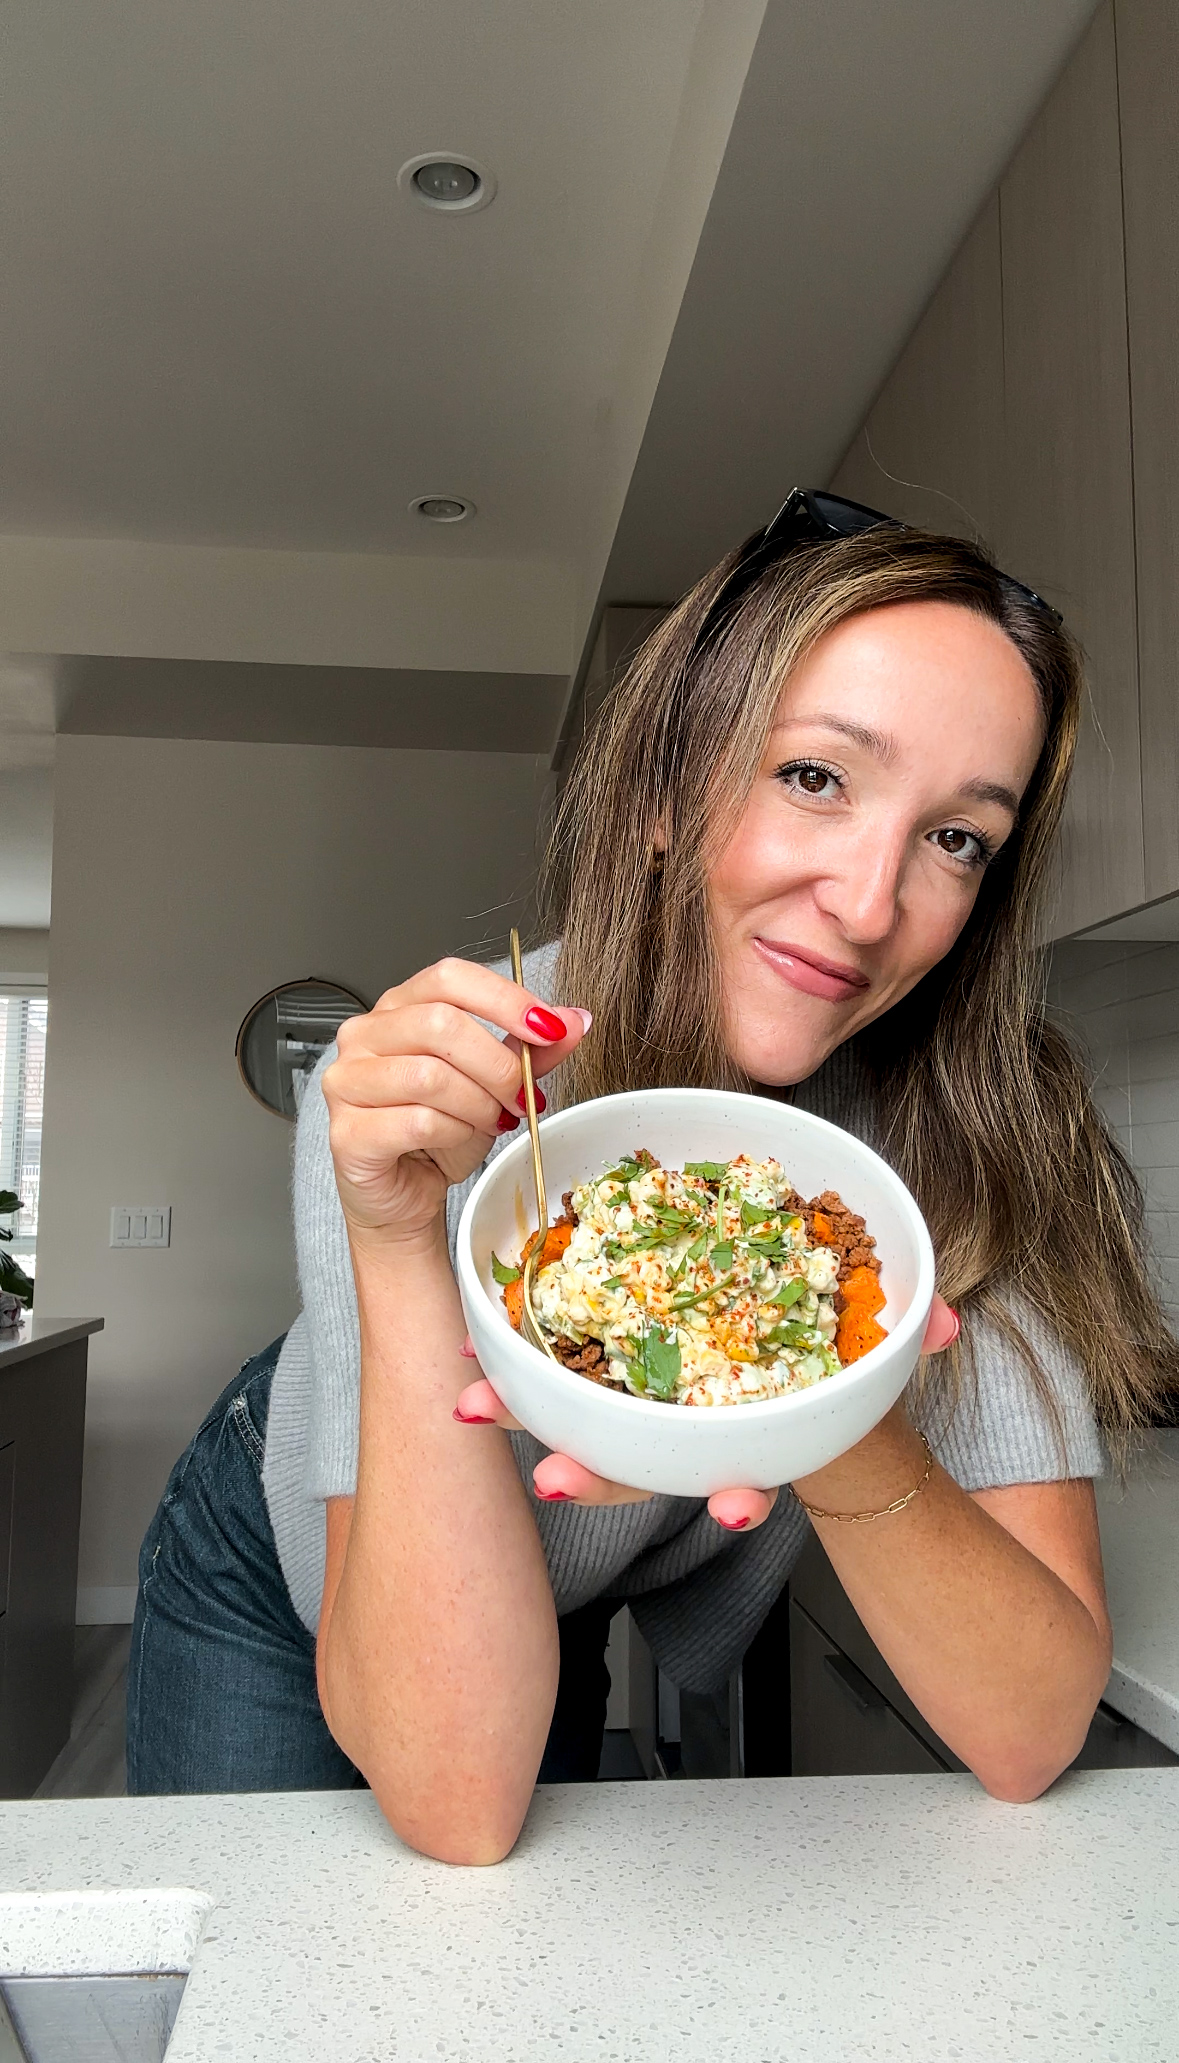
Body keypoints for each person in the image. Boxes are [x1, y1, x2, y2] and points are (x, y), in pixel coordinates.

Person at [127, 492, 1176, 1860]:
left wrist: (823, 1384)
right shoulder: (441, 1096)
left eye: (956, 838)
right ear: (665, 793)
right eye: (816, 778)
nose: (870, 906)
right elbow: (458, 1802)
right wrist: (395, 1240)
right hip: (280, 1567)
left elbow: (1031, 1730)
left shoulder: (961, 1143)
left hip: (552, 1586)